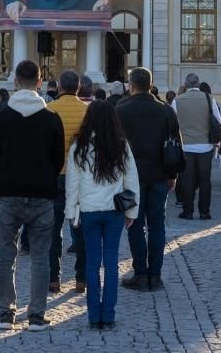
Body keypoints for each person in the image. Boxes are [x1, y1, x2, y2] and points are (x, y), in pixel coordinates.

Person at [0, 60, 66, 332]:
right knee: (41, 257)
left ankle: (5, 313)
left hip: (9, 193)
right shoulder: (51, 118)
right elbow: (58, 160)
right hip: (42, 194)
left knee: (6, 256)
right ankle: (36, 315)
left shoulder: (2, 117)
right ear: (40, 82)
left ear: (15, 82)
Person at [65, 100, 139, 330]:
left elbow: (72, 184)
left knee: (92, 262)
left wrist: (71, 213)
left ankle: (93, 315)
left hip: (88, 211)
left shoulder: (79, 145)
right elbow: (131, 180)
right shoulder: (120, 144)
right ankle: (108, 315)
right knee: (112, 262)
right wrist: (132, 211)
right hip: (114, 212)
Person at [116, 67, 181, 292]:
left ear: (131, 85)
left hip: (129, 178)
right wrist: (172, 175)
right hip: (160, 175)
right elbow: (175, 145)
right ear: (150, 84)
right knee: (157, 225)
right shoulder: (165, 111)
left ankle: (140, 274)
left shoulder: (121, 110)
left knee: (133, 224)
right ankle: (156, 275)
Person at [47, 70, 89, 293]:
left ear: (60, 87)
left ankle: (53, 278)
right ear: (79, 88)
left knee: (53, 229)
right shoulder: (87, 112)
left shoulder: (49, 109)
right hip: (80, 177)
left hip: (54, 175)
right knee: (80, 228)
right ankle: (81, 278)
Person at [171, 73, 221, 221]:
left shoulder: (177, 100)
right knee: (205, 180)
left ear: (186, 85)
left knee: (187, 180)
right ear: (198, 84)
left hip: (185, 146)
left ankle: (188, 211)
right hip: (205, 145)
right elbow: (218, 121)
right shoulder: (208, 99)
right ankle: (204, 211)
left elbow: (173, 125)